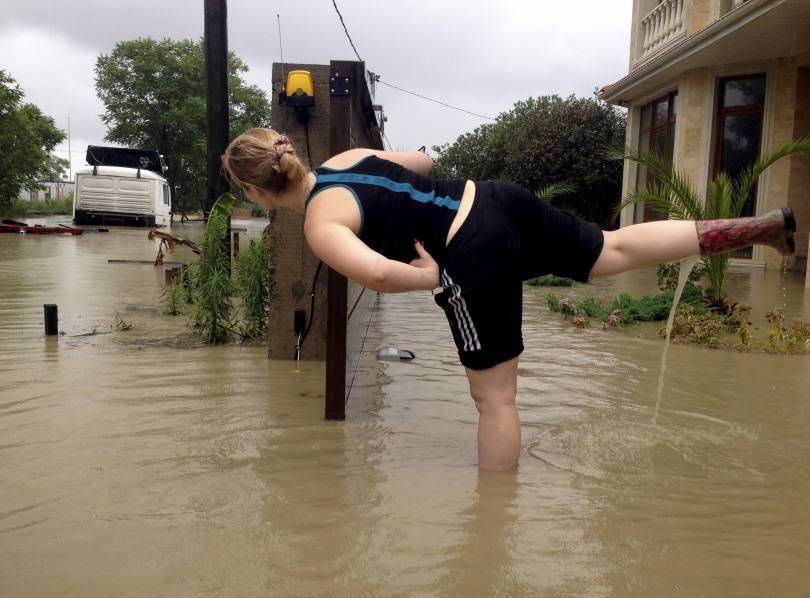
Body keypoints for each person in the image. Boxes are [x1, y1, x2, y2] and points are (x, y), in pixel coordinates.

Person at [222, 127, 796, 471]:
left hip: (471, 250)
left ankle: (493, 526)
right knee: (614, 247)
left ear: (255, 190)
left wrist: (433, 279)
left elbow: (378, 275)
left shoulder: (321, 224)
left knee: (495, 401)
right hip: (493, 197)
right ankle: (754, 228)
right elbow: (421, 163)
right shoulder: (344, 159)